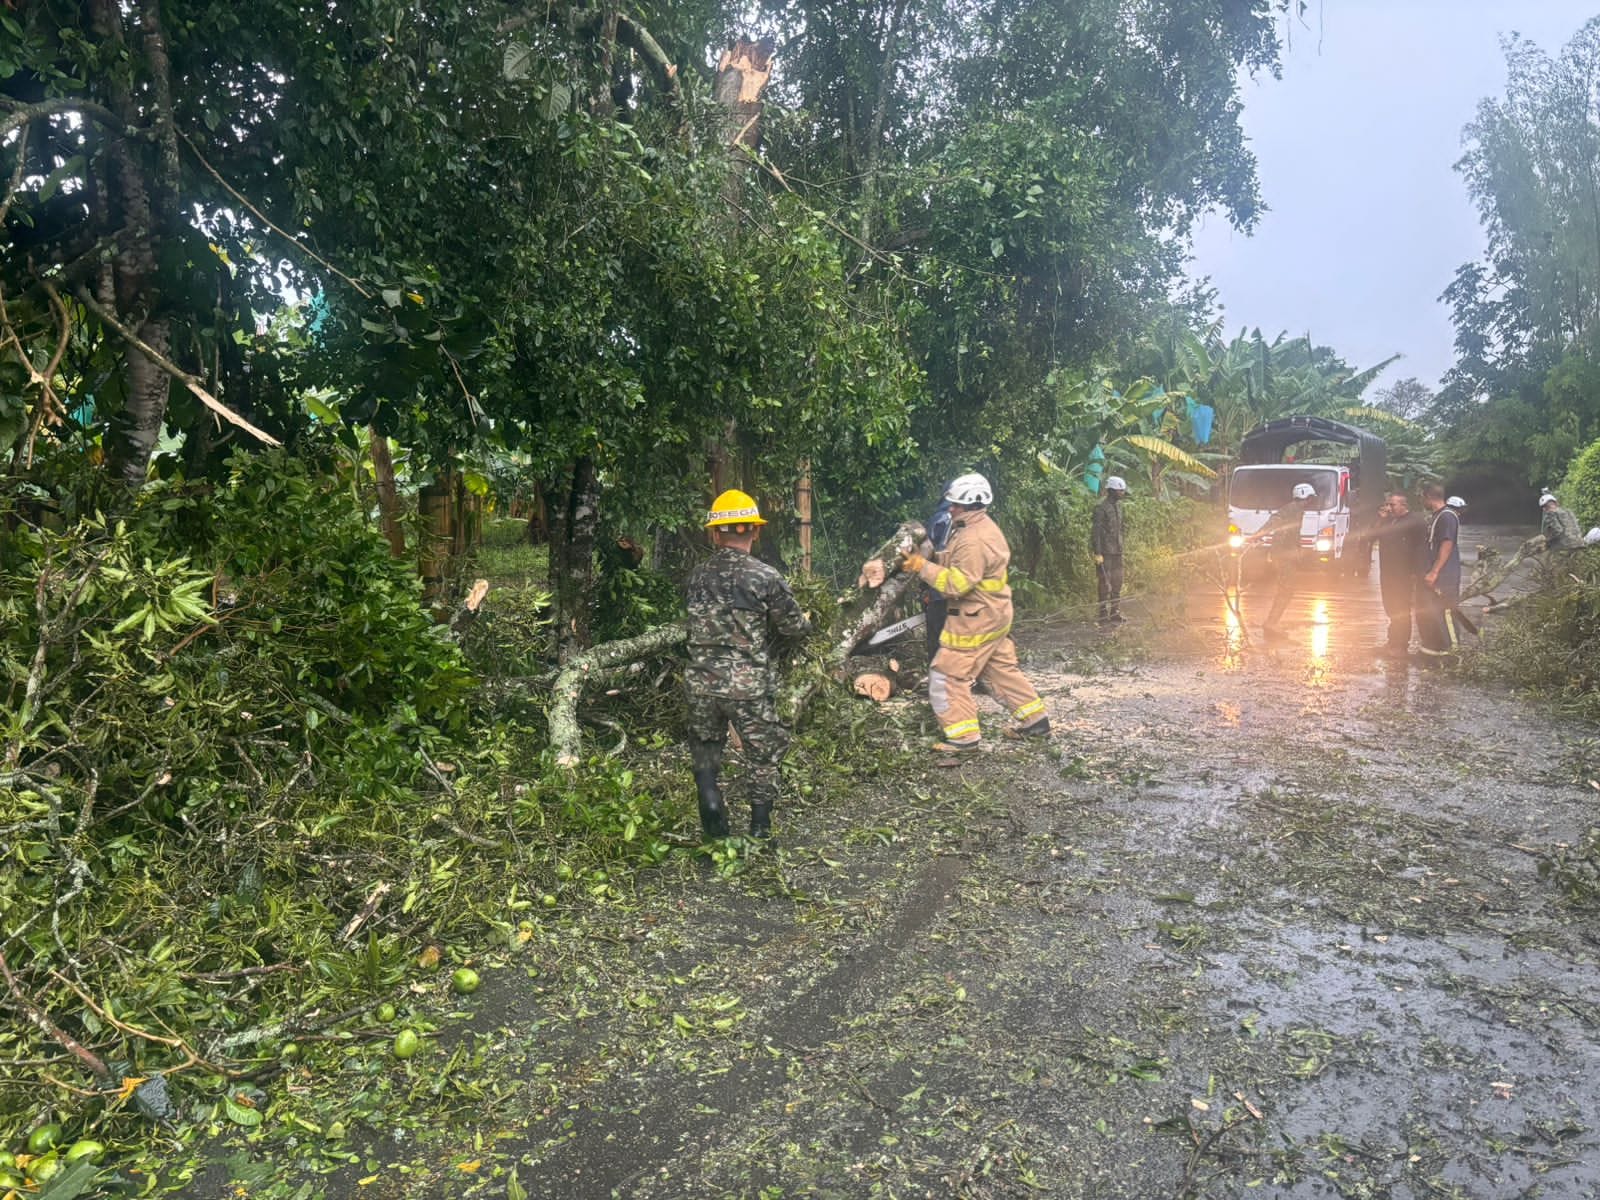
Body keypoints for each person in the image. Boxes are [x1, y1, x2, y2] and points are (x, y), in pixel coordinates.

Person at [683, 489, 811, 840]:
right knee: (762, 754)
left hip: (701, 682)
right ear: (755, 531)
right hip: (747, 685)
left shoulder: (696, 576)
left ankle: (710, 802)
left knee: (706, 748)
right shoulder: (764, 577)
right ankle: (759, 827)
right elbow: (793, 627)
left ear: (714, 534)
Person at [900, 473, 1049, 750]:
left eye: (956, 504)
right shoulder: (976, 528)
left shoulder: (973, 539)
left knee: (946, 675)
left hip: (975, 617)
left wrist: (921, 567)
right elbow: (960, 562)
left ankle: (963, 738)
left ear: (972, 505)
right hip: (994, 612)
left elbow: (957, 584)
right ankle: (1036, 723)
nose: (951, 508)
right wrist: (929, 559)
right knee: (999, 670)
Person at [1253, 481, 1316, 635]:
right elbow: (1275, 520)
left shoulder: (1298, 511)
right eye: (1309, 498)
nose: (1311, 502)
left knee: (1287, 589)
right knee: (1286, 589)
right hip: (1283, 555)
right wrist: (1259, 534)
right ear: (1304, 497)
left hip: (1286, 555)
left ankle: (1272, 622)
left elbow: (1294, 534)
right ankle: (1271, 623)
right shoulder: (1291, 509)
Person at [1372, 490, 1426, 658]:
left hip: (1404, 574)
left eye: (1392, 504)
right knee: (1391, 608)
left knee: (1401, 609)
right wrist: (1381, 519)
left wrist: (1416, 572)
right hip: (1387, 572)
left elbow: (1421, 549)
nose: (1389, 508)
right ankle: (1392, 641)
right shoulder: (1389, 521)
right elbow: (1371, 536)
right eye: (1387, 504)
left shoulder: (1415, 522)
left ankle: (1401, 645)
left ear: (1404, 505)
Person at [1416, 483, 1462, 663]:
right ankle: (1434, 652)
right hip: (1434, 575)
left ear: (1428, 496)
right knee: (1432, 613)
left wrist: (1435, 571)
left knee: (1446, 613)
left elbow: (1447, 543)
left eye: (1421, 497)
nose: (1421, 501)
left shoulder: (1447, 516)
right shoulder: (1435, 516)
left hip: (1445, 576)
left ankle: (1454, 654)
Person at [1091, 475, 1128, 624]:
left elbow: (1120, 529)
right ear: (1112, 491)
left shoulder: (1119, 507)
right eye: (1120, 491)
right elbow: (1096, 532)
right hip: (1105, 552)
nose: (1122, 493)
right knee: (1104, 582)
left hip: (1117, 551)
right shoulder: (1101, 508)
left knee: (1117, 581)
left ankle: (1115, 612)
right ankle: (1102, 614)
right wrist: (1097, 552)